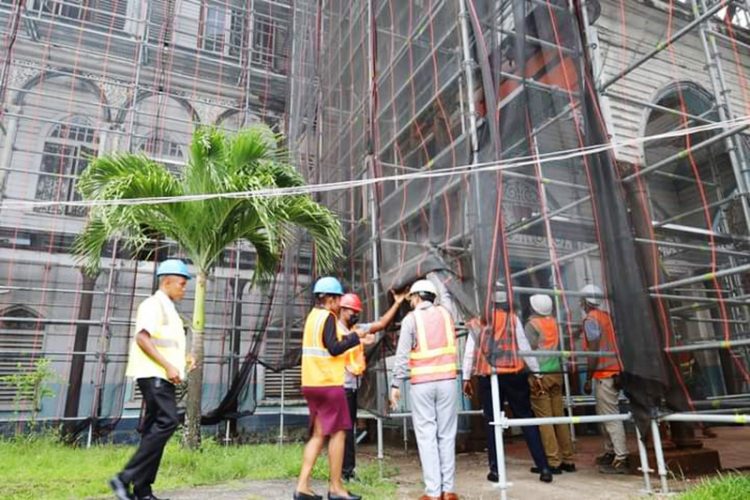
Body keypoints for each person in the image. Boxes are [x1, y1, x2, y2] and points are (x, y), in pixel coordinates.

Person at [109, 259, 196, 500]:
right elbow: (142, 338)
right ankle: (123, 478)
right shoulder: (153, 304)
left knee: (152, 430)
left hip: (162, 376)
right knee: (168, 421)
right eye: (181, 283)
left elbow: (165, 342)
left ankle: (143, 491)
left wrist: (184, 358)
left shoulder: (169, 309)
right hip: (154, 375)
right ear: (167, 281)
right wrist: (168, 365)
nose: (184, 288)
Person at [462, 286, 553, 484]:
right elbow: (524, 346)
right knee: (526, 418)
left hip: (489, 376)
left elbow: (470, 351)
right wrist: (536, 373)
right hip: (514, 374)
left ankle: (496, 470)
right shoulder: (513, 319)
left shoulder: (479, 321)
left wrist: (466, 378)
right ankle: (544, 467)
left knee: (492, 421)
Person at [294, 277, 372, 500]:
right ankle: (336, 488)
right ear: (329, 299)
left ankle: (302, 487)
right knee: (338, 433)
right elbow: (334, 348)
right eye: (338, 299)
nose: (340, 303)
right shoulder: (328, 317)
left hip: (311, 383)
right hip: (328, 383)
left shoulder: (311, 318)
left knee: (318, 435)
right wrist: (355, 337)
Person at [389, 278, 460, 500]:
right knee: (447, 435)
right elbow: (447, 295)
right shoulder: (447, 314)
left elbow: (401, 355)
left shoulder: (412, 319)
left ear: (418, 297)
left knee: (427, 436)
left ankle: (433, 492)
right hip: (448, 382)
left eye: (412, 297)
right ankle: (448, 491)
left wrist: (395, 384)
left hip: (422, 384)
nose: (410, 302)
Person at [338, 290, 407, 481]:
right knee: (343, 431)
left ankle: (347, 471)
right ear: (343, 310)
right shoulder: (335, 330)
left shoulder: (357, 328)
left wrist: (397, 303)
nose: (356, 316)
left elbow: (382, 324)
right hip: (340, 388)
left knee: (347, 430)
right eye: (353, 312)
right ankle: (345, 472)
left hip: (351, 387)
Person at [580, 284, 629, 474]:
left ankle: (621, 457)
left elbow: (593, 350)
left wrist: (588, 377)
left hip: (604, 374)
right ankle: (610, 452)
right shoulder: (605, 317)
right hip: (612, 371)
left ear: (585, 301)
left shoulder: (591, 320)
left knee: (610, 417)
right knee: (605, 415)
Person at [524, 294, 575, 473]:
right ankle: (568, 459)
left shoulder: (532, 326)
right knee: (559, 418)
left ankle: (553, 461)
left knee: (544, 420)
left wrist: (534, 374)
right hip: (556, 372)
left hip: (541, 375)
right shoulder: (554, 323)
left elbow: (528, 350)